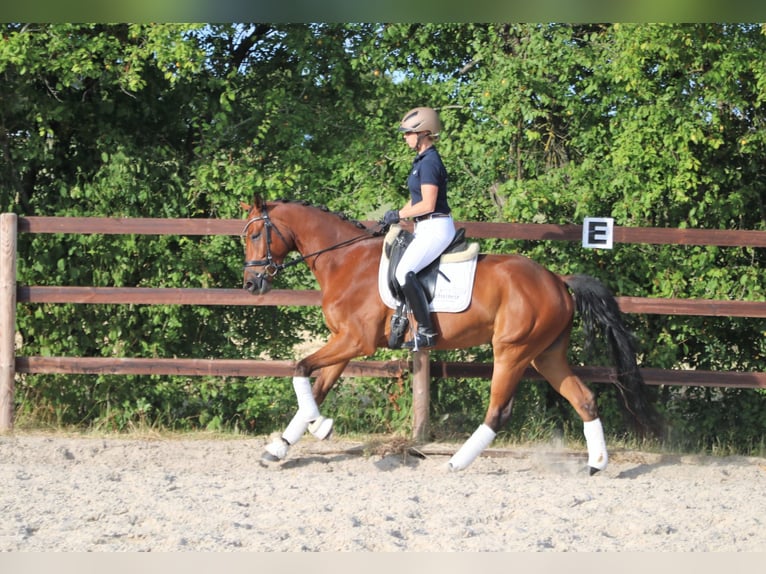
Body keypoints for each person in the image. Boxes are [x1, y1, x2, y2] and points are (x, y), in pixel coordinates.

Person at [382, 106, 455, 350]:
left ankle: (427, 332)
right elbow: (416, 199)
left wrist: (400, 214)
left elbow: (428, 203)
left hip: (436, 228)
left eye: (407, 133)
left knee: (404, 272)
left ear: (423, 133)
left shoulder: (430, 162)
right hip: (424, 228)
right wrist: (395, 216)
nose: (404, 137)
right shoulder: (421, 161)